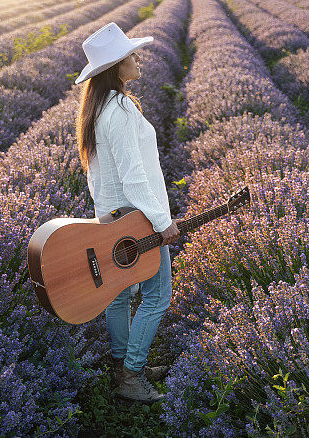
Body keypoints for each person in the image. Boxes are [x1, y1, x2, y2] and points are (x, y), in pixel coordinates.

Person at [74, 22, 180, 404]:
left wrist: (106, 216)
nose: (138, 58)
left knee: (119, 295)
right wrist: (162, 222)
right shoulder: (118, 110)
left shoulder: (98, 107)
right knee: (157, 295)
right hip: (135, 217)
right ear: (116, 67)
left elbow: (98, 177)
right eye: (131, 54)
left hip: (114, 216)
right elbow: (134, 177)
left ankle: (123, 364)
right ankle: (131, 374)